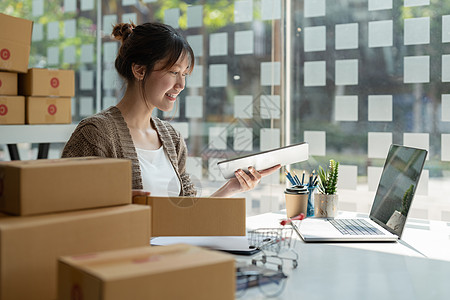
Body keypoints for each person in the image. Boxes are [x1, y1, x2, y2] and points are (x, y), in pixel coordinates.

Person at [62, 21, 280, 198]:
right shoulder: (95, 134)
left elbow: (188, 218)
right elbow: (63, 207)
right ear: (139, 69)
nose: (181, 85)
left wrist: (232, 187)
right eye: (173, 72)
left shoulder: (172, 138)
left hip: (170, 251)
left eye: (184, 74)